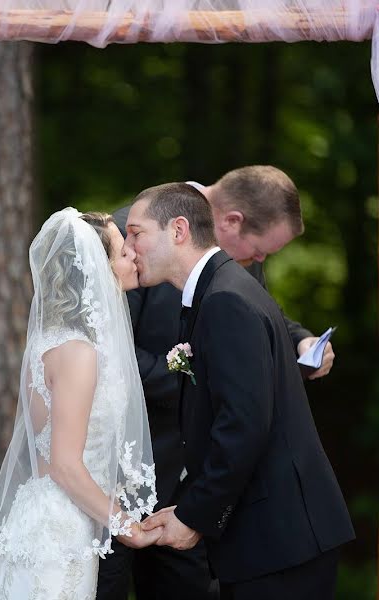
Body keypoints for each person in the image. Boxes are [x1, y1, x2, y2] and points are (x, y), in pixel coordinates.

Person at [98, 166, 333, 600]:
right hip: (138, 464)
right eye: (127, 238)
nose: (129, 249)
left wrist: (195, 514)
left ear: (181, 231)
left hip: (259, 522)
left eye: (135, 236)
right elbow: (111, 352)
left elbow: (243, 421)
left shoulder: (224, 290)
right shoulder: (160, 251)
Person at [0, 209, 159, 599]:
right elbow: (64, 464)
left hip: (54, 519)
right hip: (57, 533)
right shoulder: (77, 352)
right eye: (122, 251)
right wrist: (126, 525)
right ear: (95, 267)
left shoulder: (55, 340)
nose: (132, 256)